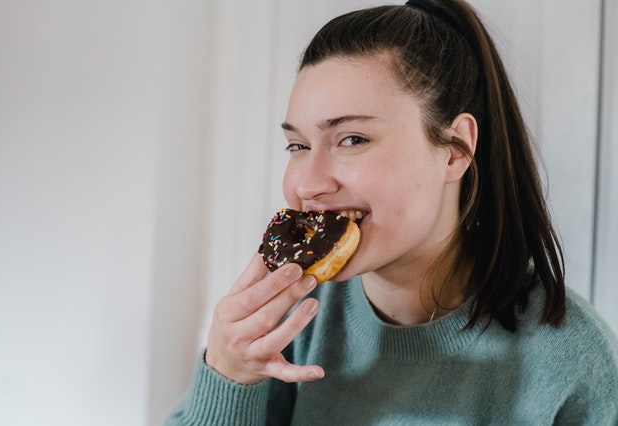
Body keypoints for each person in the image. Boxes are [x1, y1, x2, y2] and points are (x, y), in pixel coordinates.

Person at [167, 0, 618, 424]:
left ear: (455, 150)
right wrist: (226, 374)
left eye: (352, 139)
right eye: (298, 145)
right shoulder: (291, 322)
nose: (307, 184)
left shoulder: (574, 361)